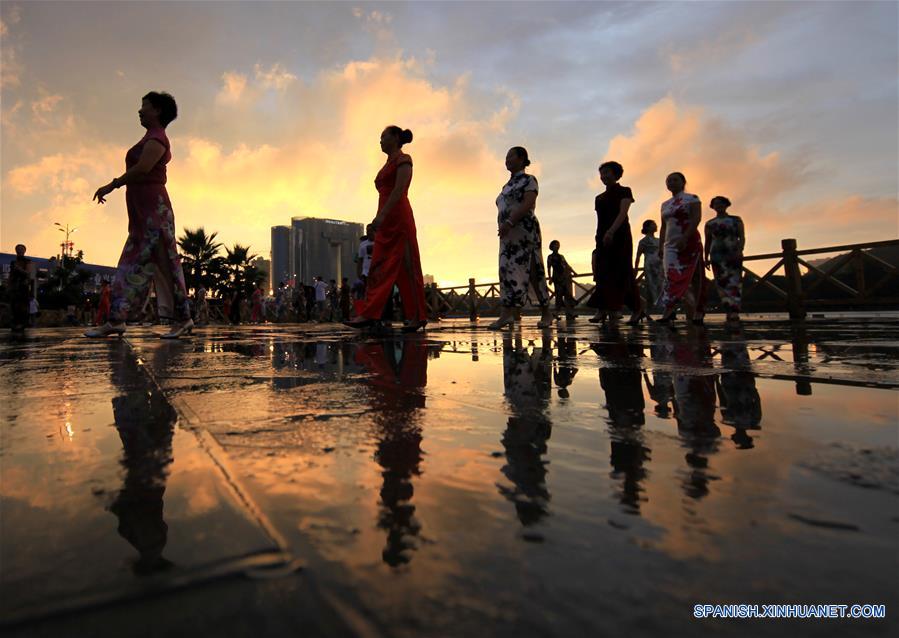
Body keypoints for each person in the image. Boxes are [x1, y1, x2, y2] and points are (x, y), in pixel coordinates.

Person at [86, 92, 192, 338]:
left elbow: (143, 168)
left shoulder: (157, 139)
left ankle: (122, 319)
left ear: (157, 110)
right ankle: (120, 318)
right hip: (143, 212)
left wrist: (112, 185)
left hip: (154, 212)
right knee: (144, 264)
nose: (140, 110)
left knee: (151, 263)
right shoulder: (150, 137)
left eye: (144, 106)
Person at [345, 126, 428, 333]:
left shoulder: (404, 159)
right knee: (378, 268)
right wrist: (378, 221)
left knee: (408, 269)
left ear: (396, 138)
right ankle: (368, 313)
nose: (380, 141)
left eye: (384, 136)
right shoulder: (386, 165)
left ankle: (417, 316)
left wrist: (380, 218)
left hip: (399, 219)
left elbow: (399, 190)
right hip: (384, 220)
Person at [489, 146, 553, 330]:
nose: (507, 159)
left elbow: (528, 203)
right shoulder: (506, 186)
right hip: (507, 236)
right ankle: (506, 314)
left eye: (511, 156)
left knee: (532, 270)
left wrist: (509, 221)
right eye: (506, 156)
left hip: (524, 233)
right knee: (505, 270)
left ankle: (546, 312)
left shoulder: (529, 180)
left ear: (522, 158)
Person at [588, 161, 643, 325]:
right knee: (602, 272)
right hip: (602, 236)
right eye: (602, 173)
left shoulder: (624, 191)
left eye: (607, 172)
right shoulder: (599, 198)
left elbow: (623, 213)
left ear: (616, 174)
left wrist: (611, 231)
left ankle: (637, 308)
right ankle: (602, 308)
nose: (604, 176)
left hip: (620, 235)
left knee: (622, 271)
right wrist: (600, 236)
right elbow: (599, 220)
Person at [658, 172, 706, 324]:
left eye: (675, 180)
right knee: (671, 276)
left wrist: (685, 237)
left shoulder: (692, 199)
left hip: (688, 241)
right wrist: (661, 246)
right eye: (668, 180)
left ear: (683, 182)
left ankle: (698, 311)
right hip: (669, 245)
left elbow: (696, 218)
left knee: (694, 276)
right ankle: (669, 310)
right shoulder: (665, 204)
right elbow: (663, 227)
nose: (671, 183)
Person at [704, 196, 745, 324]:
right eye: (715, 204)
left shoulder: (735, 220)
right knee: (721, 282)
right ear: (712, 207)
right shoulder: (709, 223)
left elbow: (742, 236)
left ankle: (735, 310)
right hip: (716, 254)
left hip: (732, 252)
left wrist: (740, 249)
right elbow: (708, 241)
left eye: (720, 203)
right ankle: (728, 310)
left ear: (726, 205)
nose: (718, 206)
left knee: (734, 281)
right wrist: (705, 257)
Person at [635, 219, 663, 314]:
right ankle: (652, 308)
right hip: (650, 266)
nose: (656, 225)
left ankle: (661, 307)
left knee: (661, 285)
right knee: (651, 287)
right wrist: (636, 269)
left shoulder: (659, 240)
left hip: (660, 266)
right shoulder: (643, 241)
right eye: (653, 224)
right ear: (647, 227)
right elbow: (638, 256)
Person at [546, 240, 577, 320]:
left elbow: (566, 265)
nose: (557, 246)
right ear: (552, 247)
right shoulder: (550, 257)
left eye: (558, 245)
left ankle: (569, 313)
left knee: (567, 295)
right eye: (555, 245)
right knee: (559, 295)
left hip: (564, 277)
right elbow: (548, 267)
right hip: (557, 278)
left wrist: (574, 272)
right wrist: (550, 278)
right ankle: (557, 313)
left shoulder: (561, 256)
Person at [8, 244, 35, 334]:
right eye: (18, 249)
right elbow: (11, 275)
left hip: (23, 287)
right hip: (14, 288)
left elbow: (30, 275)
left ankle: (22, 324)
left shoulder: (28, 261)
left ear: (24, 251)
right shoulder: (13, 262)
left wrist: (19, 269)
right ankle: (15, 324)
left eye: (21, 249)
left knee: (22, 307)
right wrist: (9, 286)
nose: (19, 251)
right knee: (14, 306)